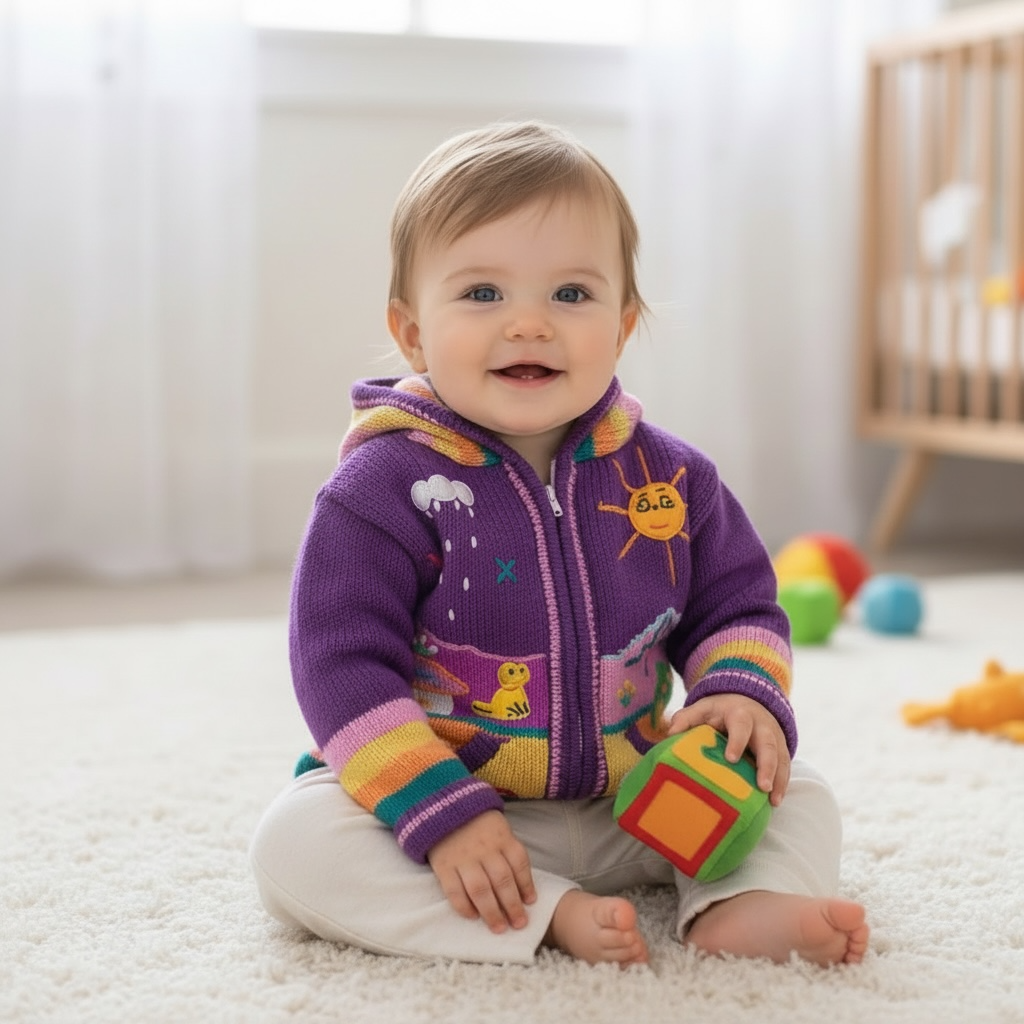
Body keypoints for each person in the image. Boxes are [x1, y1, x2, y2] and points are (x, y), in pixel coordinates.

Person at [249, 120, 869, 969]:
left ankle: (741, 903)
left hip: (641, 802)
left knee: (799, 792)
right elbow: (339, 664)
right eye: (482, 294)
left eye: (571, 296)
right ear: (412, 332)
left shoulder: (672, 479)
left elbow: (739, 602)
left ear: (621, 326)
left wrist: (740, 695)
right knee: (295, 843)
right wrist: (443, 814)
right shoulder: (380, 492)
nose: (531, 325)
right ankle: (546, 912)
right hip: (463, 815)